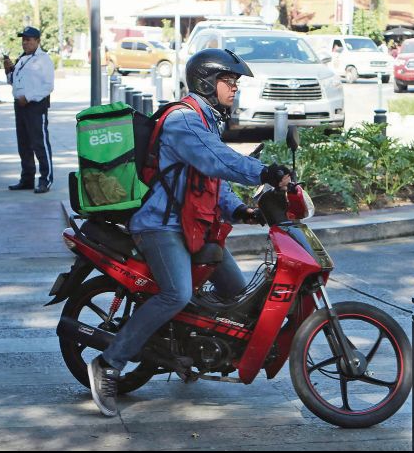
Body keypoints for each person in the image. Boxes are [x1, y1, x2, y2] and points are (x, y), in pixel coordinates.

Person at [87, 48, 291, 417]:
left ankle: (192, 345)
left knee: (236, 291)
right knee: (176, 293)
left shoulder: (206, 119)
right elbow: (217, 160)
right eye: (229, 81)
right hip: (160, 226)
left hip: (192, 226)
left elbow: (210, 179)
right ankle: (108, 364)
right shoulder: (184, 120)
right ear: (207, 82)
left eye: (235, 83)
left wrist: (239, 209)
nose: (235, 89)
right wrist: (263, 172)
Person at [3, 26, 55, 194]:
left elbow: (48, 86)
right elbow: (14, 82)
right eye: (23, 39)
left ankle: (46, 179)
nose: (25, 43)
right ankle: (27, 178)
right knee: (23, 144)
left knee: (39, 143)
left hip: (35, 106)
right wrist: (8, 70)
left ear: (37, 41)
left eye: (29, 40)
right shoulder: (22, 59)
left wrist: (29, 96)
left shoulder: (43, 59)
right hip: (20, 105)